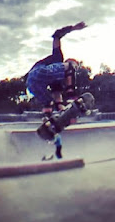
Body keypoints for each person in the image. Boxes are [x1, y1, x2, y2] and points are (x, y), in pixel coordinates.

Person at [25, 21, 87, 159]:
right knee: (67, 69)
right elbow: (56, 35)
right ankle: (71, 96)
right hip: (38, 72)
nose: (74, 71)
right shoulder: (58, 58)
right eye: (75, 67)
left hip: (32, 84)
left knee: (49, 103)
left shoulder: (56, 79)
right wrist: (74, 28)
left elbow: (58, 97)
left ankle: (47, 125)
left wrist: (65, 114)